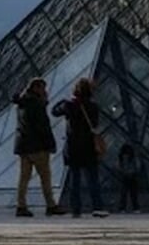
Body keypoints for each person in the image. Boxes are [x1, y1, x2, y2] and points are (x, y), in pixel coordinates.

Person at [53, 77, 107, 218]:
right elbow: (95, 125)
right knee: (93, 180)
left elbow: (54, 111)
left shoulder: (70, 105)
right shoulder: (93, 107)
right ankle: (97, 206)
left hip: (73, 147)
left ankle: (76, 209)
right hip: (89, 146)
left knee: (74, 181)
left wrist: (65, 102)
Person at [12, 78, 62, 217]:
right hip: (38, 146)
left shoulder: (22, 104)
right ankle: (50, 205)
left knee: (24, 178)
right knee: (45, 177)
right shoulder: (36, 105)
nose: (45, 91)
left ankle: (21, 205)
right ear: (35, 88)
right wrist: (51, 144)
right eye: (42, 88)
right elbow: (43, 127)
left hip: (23, 146)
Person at [114, 142, 142, 214]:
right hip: (129, 176)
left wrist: (124, 171)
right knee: (130, 193)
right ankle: (134, 208)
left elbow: (117, 166)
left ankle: (124, 208)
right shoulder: (133, 158)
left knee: (128, 193)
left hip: (128, 176)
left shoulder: (121, 158)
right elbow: (138, 167)